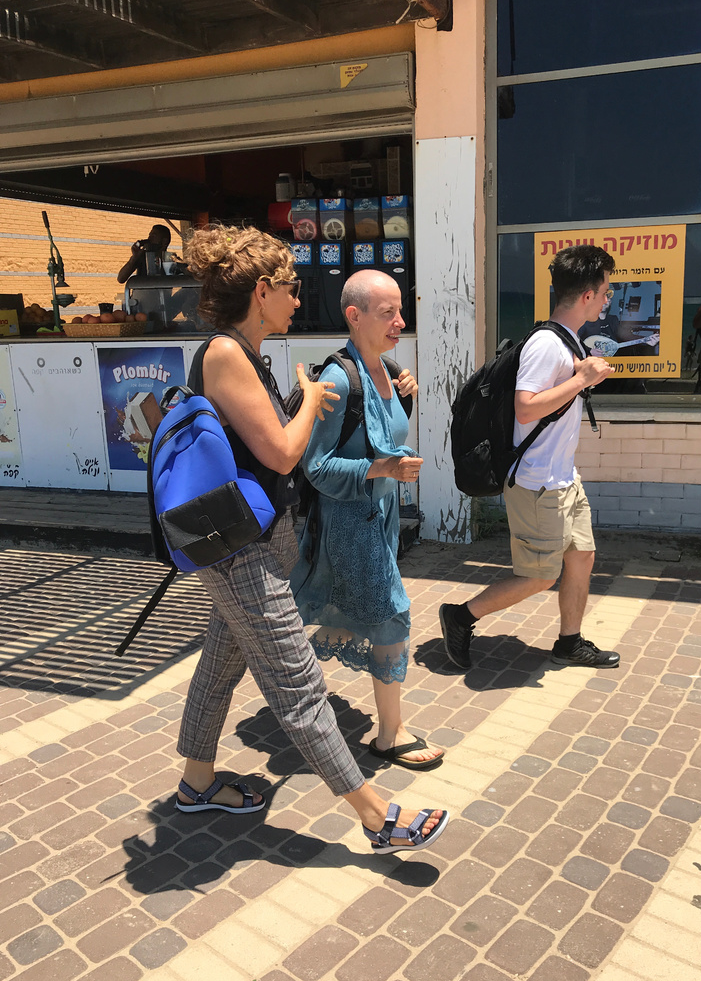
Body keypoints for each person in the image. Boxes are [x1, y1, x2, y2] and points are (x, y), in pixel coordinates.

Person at [174, 226, 448, 855]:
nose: (299, 299)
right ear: (262, 291)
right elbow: (284, 452)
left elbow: (265, 447)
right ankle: (378, 818)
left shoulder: (245, 353)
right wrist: (313, 399)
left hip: (251, 539)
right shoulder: (226, 354)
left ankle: (196, 782)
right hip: (242, 551)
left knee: (219, 666)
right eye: (292, 288)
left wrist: (312, 396)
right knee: (299, 685)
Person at [439, 244, 621, 671]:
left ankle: (569, 642)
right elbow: (526, 408)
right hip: (538, 483)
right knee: (539, 575)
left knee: (582, 556)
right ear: (587, 295)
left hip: (563, 478)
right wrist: (582, 380)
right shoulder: (546, 344)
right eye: (606, 292)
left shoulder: (568, 339)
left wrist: (581, 377)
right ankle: (460, 616)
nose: (607, 300)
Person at [291, 271, 444, 770]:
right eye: (387, 313)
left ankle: (295, 688)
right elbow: (316, 467)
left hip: (380, 518)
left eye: (401, 311)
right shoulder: (338, 380)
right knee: (391, 614)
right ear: (354, 316)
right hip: (350, 522)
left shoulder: (388, 371)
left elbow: (380, 434)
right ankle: (389, 734)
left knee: (358, 610)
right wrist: (382, 469)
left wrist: (405, 398)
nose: (400, 322)